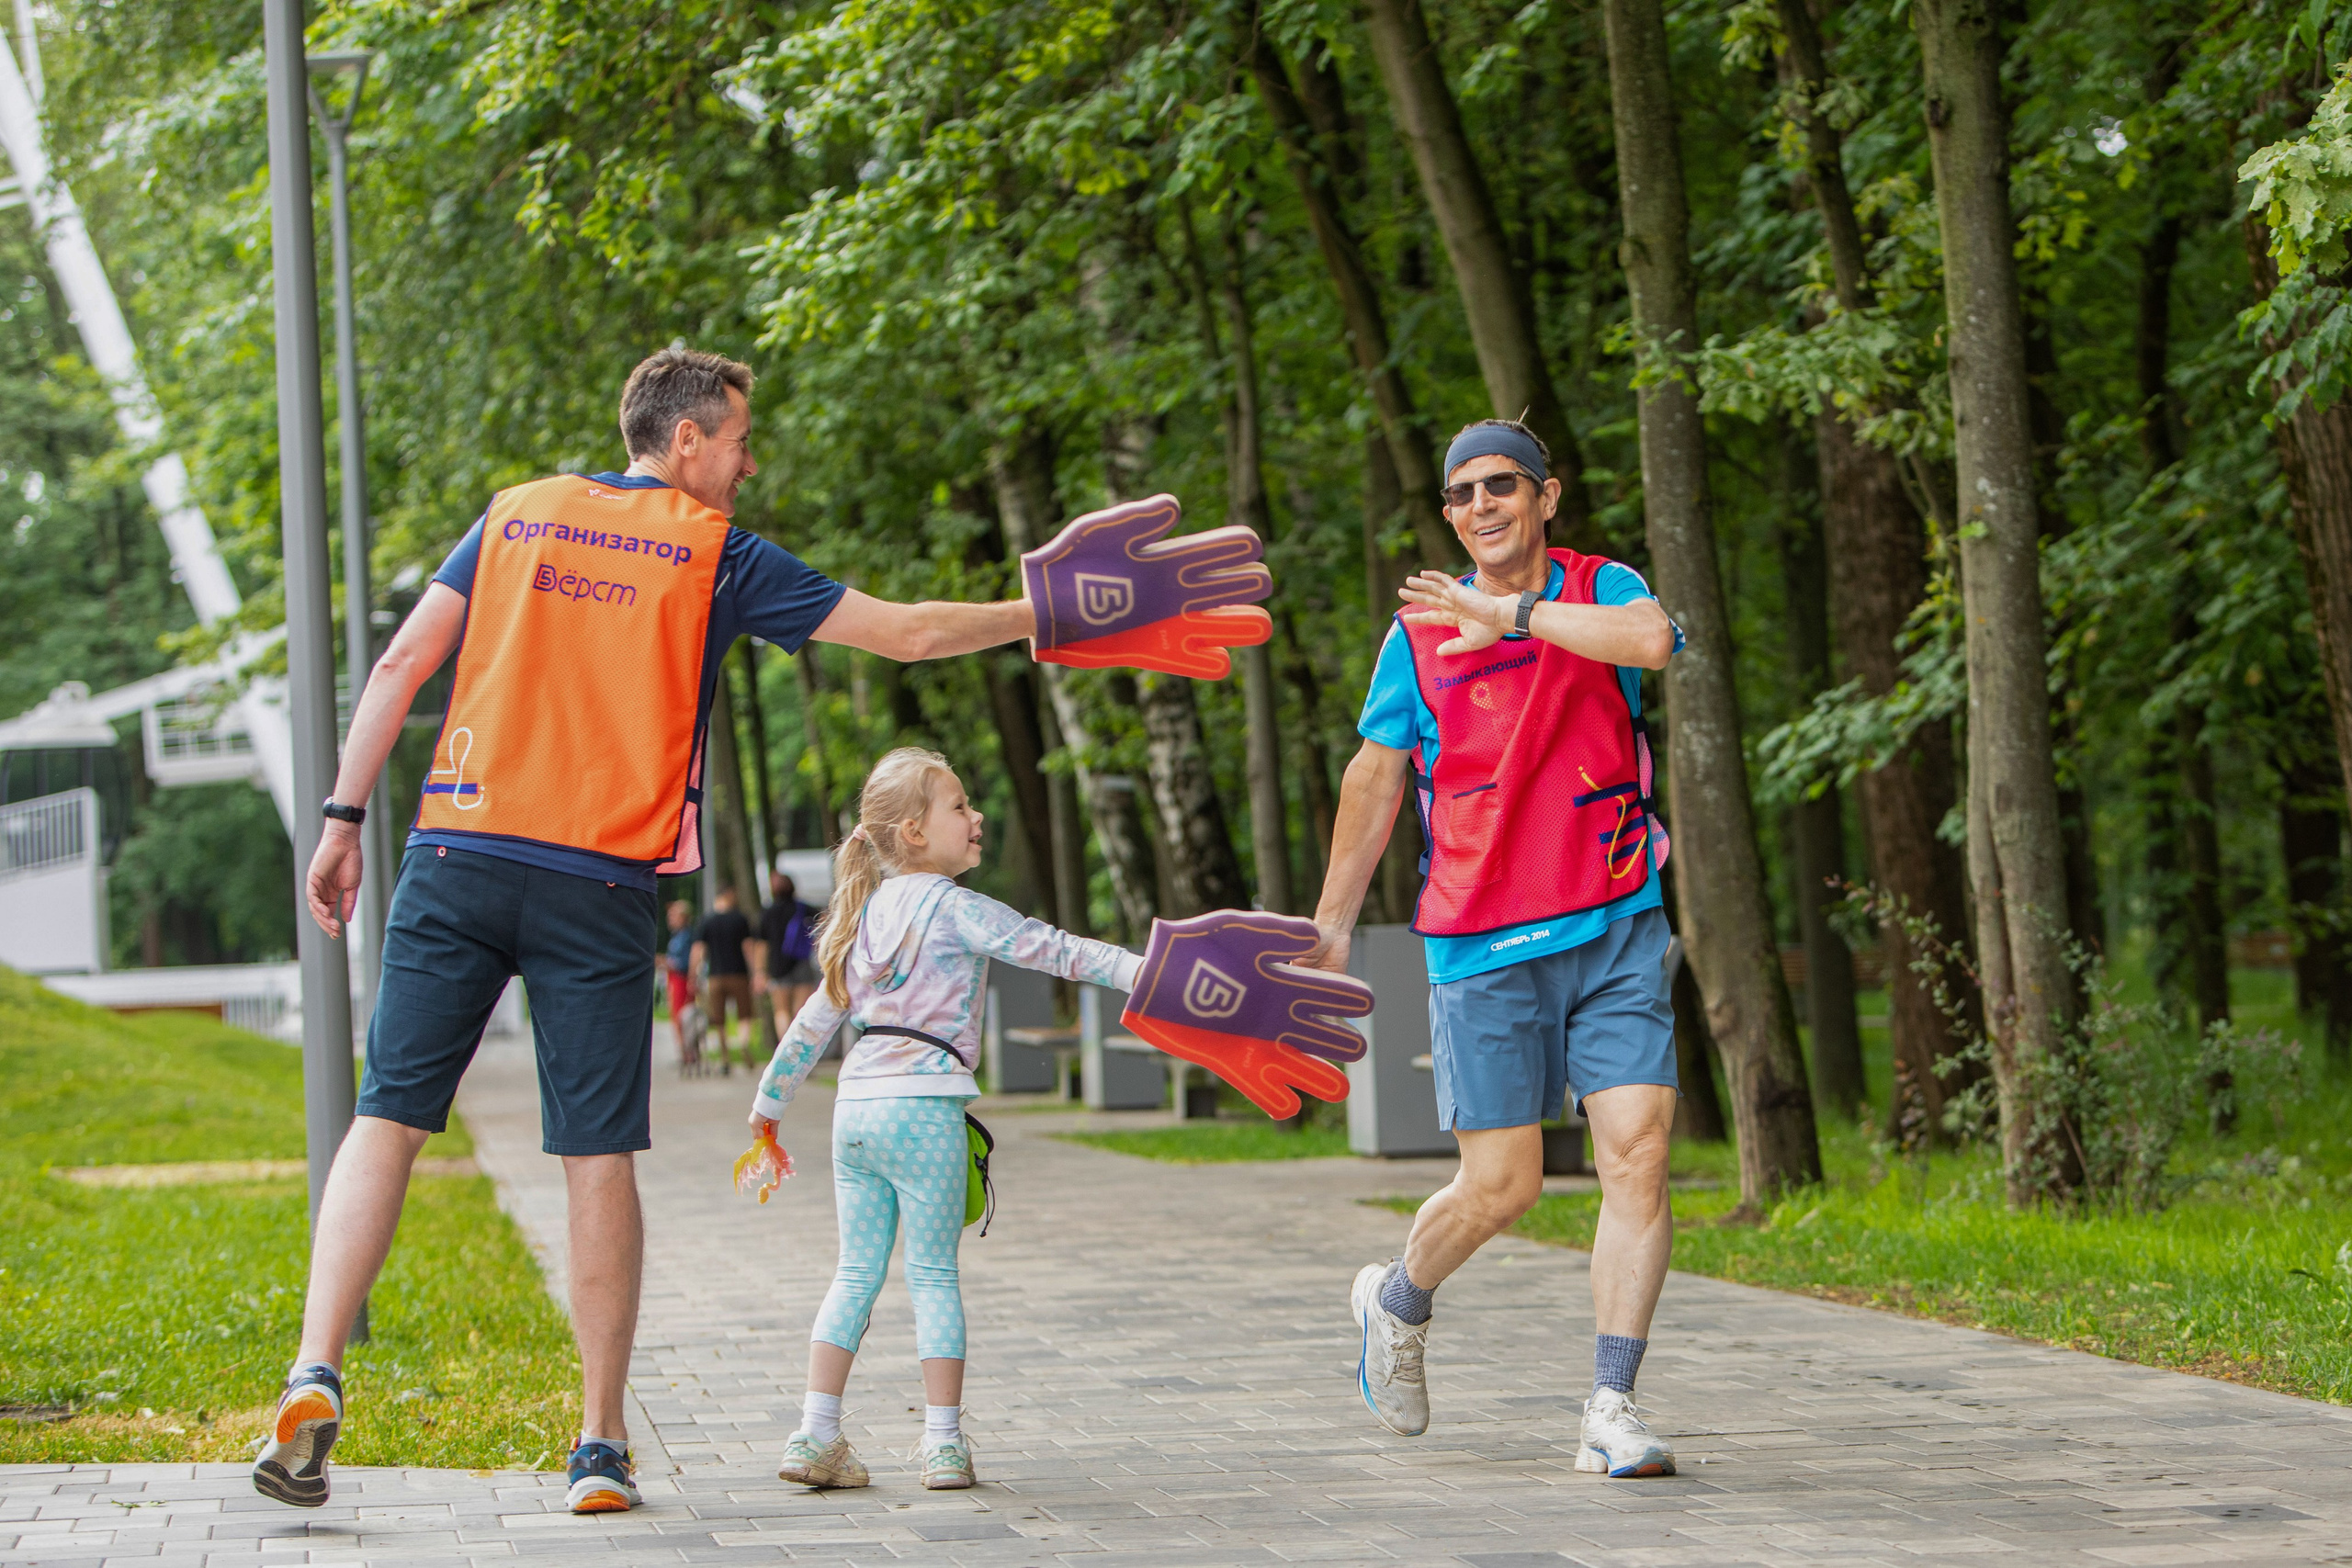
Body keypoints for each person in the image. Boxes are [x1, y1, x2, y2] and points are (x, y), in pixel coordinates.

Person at [266, 346, 1053, 1517]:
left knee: (387, 1116)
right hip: (595, 877)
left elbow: (399, 662)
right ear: (683, 441)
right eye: (737, 441)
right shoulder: (712, 553)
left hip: (456, 854)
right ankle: (596, 1447)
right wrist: (1056, 612)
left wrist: (339, 819)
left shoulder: (515, 514)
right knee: (595, 1153)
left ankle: (314, 1369)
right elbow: (910, 634)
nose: (747, 465)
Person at [1301, 418, 1686, 1477]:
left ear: (1546, 496)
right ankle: (1395, 1300)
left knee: (1638, 1155)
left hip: (1613, 915)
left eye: (1502, 486)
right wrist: (1332, 921)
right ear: (1448, 514)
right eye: (1462, 494)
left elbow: (1650, 642)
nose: (1482, 506)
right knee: (1504, 1187)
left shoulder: (1602, 587)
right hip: (1479, 937)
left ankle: (1610, 1405)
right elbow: (1374, 779)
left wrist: (1507, 612)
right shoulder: (1413, 637)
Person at [751, 748, 1142, 1492]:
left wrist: (767, 1109)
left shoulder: (862, 917)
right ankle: (942, 1445)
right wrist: (1144, 969)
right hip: (924, 1110)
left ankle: (817, 1432)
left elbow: (813, 1020)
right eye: (959, 805)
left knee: (856, 1271)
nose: (977, 815)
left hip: (855, 1112)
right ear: (914, 831)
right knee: (932, 1274)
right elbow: (1054, 950)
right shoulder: (957, 907)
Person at [693, 885, 756, 1073]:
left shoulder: (706, 920)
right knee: (744, 1014)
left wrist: (694, 974)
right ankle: (744, 1043)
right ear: (729, 896)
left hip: (716, 977)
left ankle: (724, 1055)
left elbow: (699, 950)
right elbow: (748, 948)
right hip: (739, 974)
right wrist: (755, 972)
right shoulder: (740, 919)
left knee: (719, 1019)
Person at [756, 869, 820, 1025]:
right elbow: (823, 923)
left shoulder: (767, 913)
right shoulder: (804, 909)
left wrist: (760, 971)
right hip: (801, 963)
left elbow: (761, 945)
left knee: (781, 1011)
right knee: (801, 1011)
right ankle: (798, 1044)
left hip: (777, 966)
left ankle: (784, 1046)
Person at [662, 899, 698, 1068]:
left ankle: (688, 1053)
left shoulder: (686, 936)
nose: (670, 919)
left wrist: (664, 962)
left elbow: (683, 962)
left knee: (683, 1017)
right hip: (674, 979)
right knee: (677, 1016)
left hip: (681, 979)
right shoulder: (677, 936)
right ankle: (684, 1052)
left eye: (674, 915)